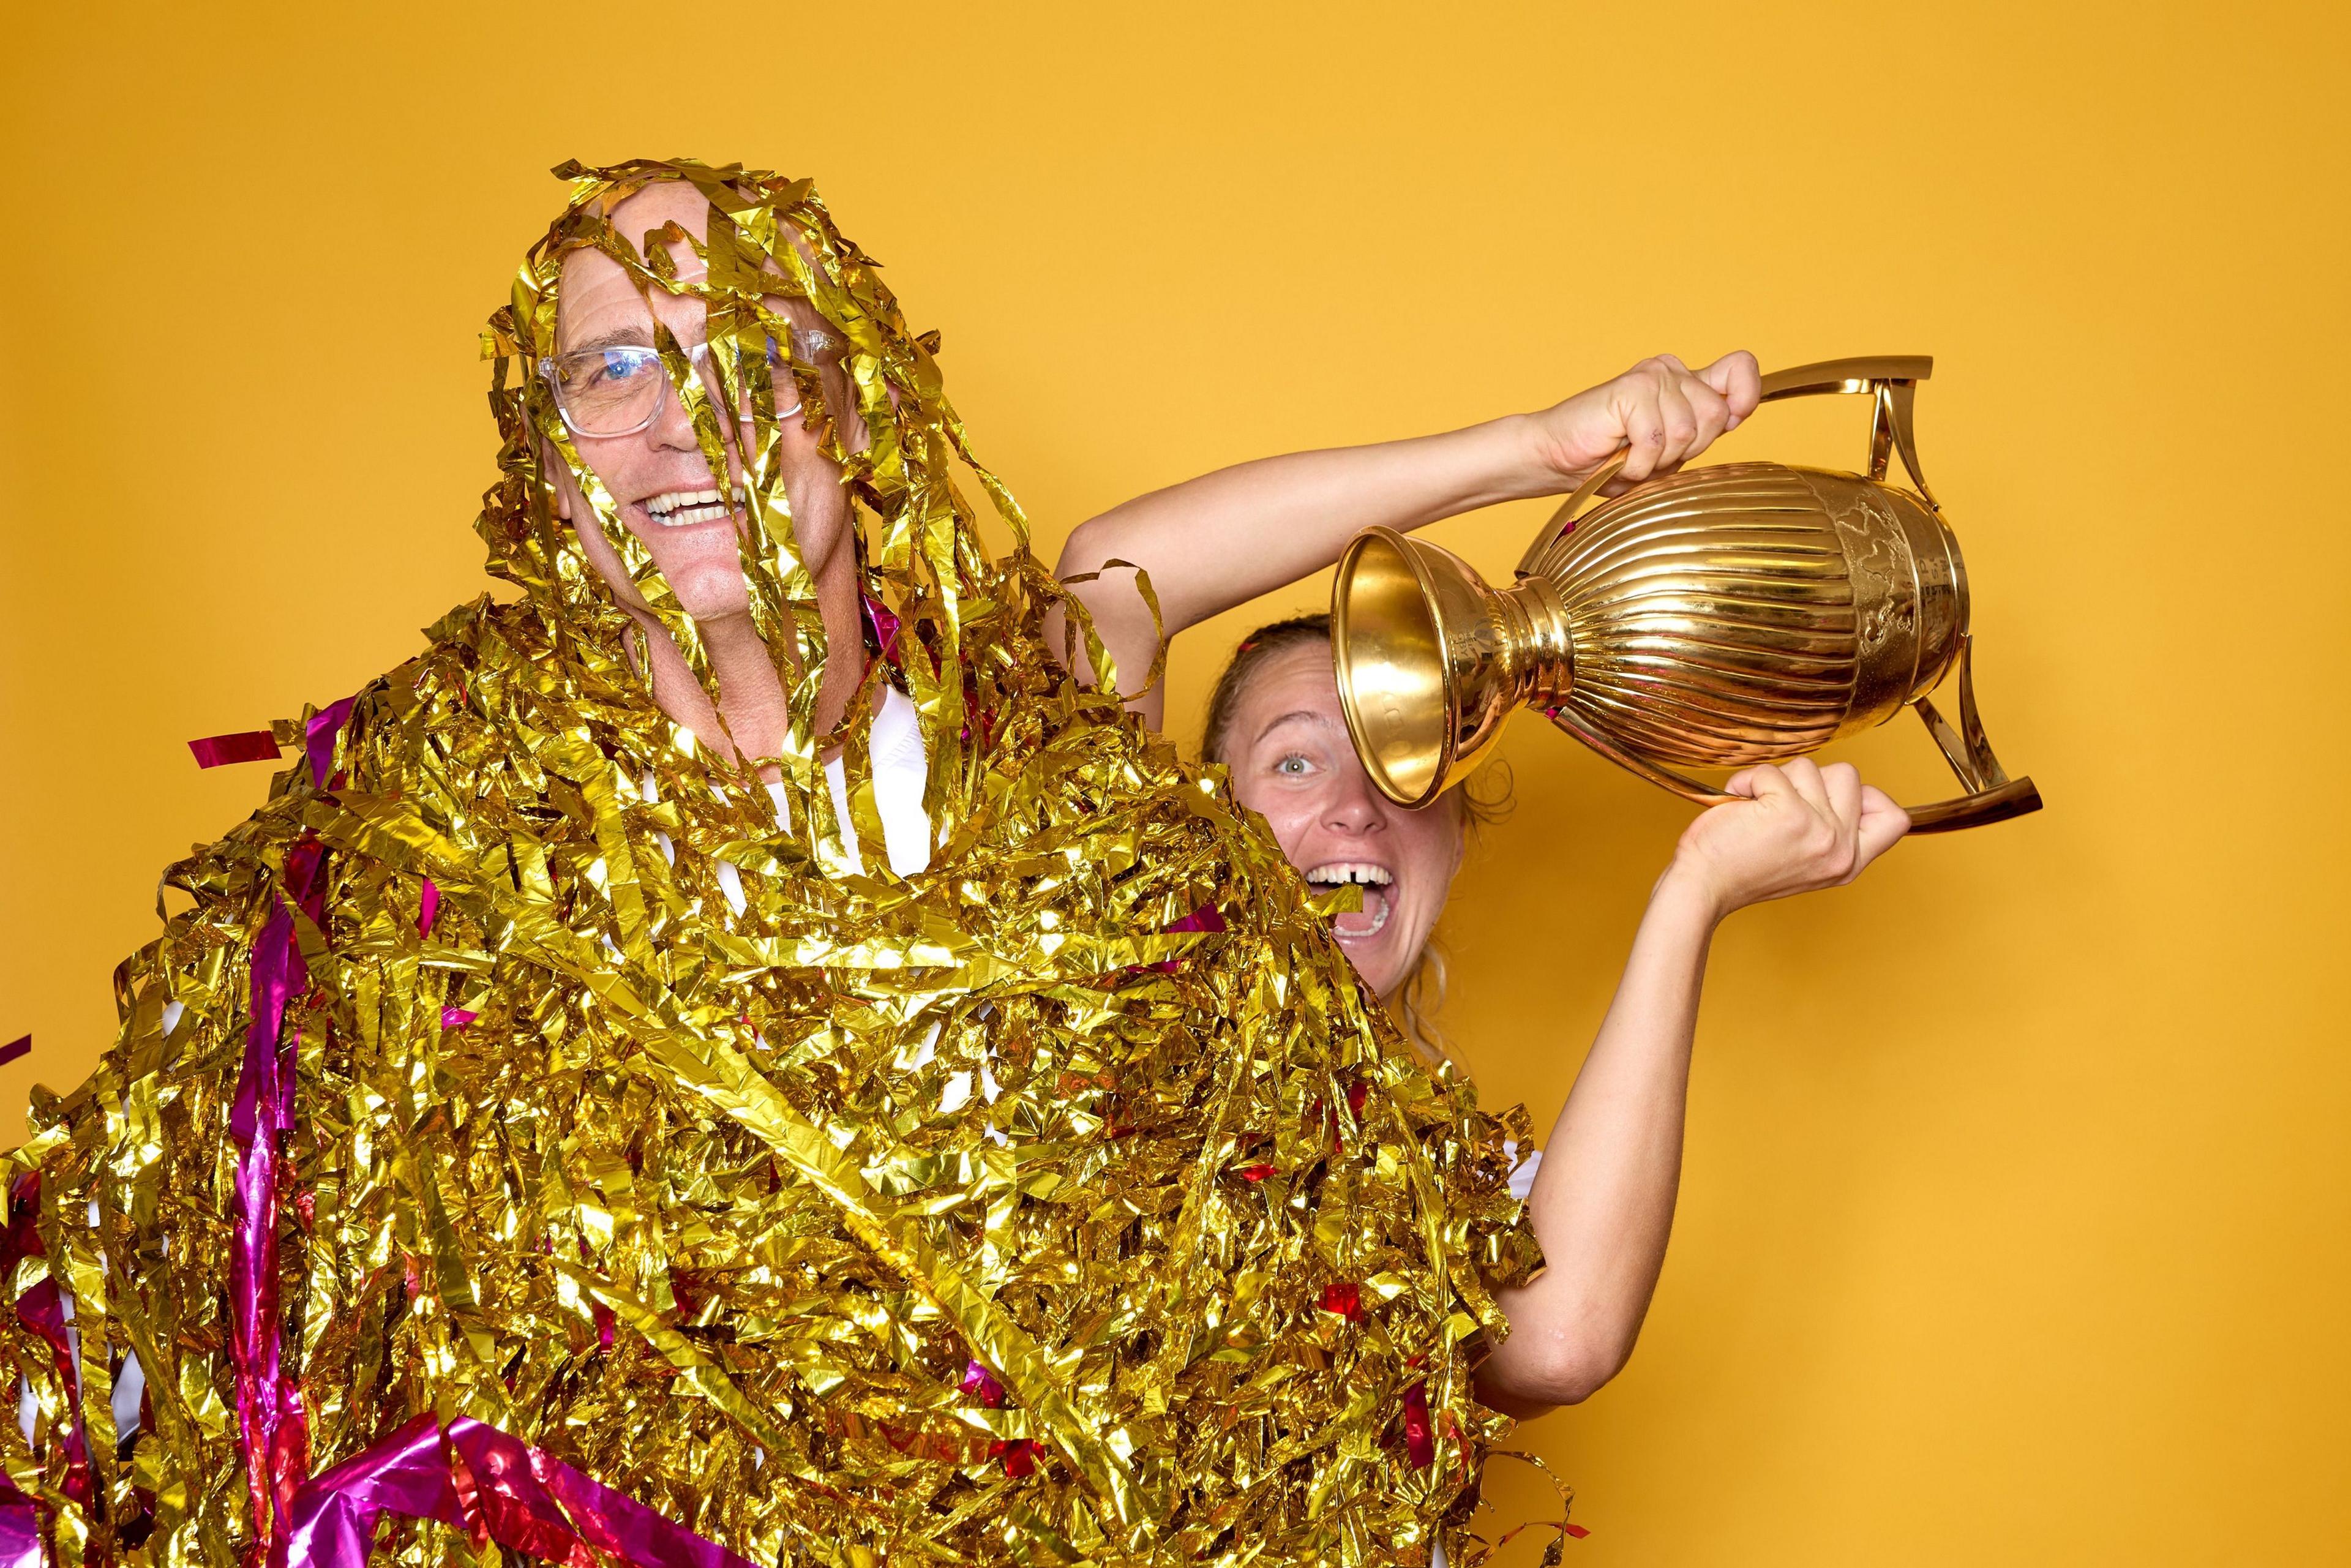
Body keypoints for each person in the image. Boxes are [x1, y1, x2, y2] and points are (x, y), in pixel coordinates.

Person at [0, 160, 1577, 1568]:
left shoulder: (1039, 773)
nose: (680, 419)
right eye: (614, 368)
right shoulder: (404, 865)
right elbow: (155, 1327)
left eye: (747, 358)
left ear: (859, 408)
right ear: (547, 463)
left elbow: (1133, 563)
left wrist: (1532, 450)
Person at [1054, 358, 1911, 1416]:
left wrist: (1694, 894)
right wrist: (1536, 451)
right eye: (1293, 760)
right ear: (1202, 815)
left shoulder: (1449, 1170)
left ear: (1457, 842)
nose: (1356, 808)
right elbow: (1113, 571)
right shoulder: (1101, 1009)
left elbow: (1554, 1341)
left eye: (1404, 764)